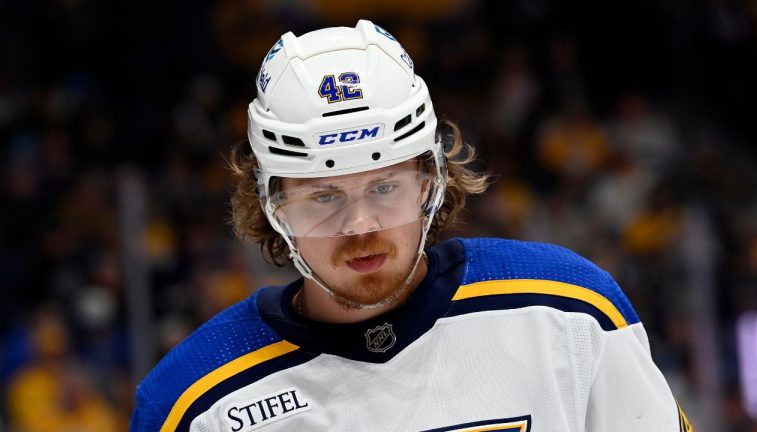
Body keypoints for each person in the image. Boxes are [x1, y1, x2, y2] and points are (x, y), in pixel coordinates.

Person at [130, 20, 693, 431]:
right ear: (273, 206)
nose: (361, 224)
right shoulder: (193, 402)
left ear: (430, 183)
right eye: (324, 197)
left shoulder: (569, 311)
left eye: (384, 187)